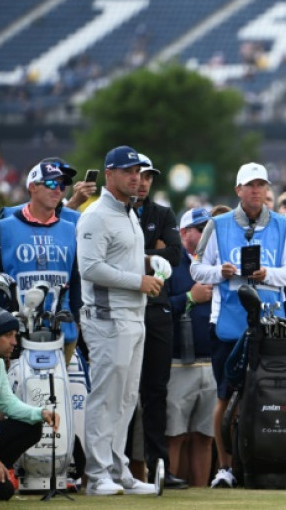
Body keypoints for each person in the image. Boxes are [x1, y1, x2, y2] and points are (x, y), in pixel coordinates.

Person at [190, 162, 286, 489]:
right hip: (227, 320)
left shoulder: (283, 225)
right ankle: (225, 468)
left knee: (267, 392)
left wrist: (269, 274)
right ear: (238, 190)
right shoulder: (218, 224)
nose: (256, 190)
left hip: (270, 322)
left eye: (261, 185)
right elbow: (198, 269)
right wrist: (219, 273)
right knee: (225, 396)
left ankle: (265, 459)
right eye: (249, 185)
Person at [78, 145, 162, 496]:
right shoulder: (96, 215)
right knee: (106, 397)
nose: (135, 177)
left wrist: (149, 266)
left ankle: (118, 470)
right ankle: (97, 475)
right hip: (107, 317)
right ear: (108, 174)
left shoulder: (128, 213)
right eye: (128, 171)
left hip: (133, 315)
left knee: (126, 398)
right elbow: (90, 267)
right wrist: (138, 280)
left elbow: (119, 259)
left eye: (139, 172)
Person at [0, 161, 82, 362]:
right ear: (32, 187)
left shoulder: (72, 228)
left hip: (63, 331)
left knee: (60, 392)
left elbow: (76, 279)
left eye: (62, 186)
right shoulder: (5, 226)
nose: (58, 191)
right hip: (14, 333)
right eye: (51, 184)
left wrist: (79, 320)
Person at [132, 154, 187, 489]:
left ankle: (158, 468)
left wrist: (139, 259)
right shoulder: (113, 212)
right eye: (138, 175)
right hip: (123, 307)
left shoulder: (162, 213)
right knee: (120, 391)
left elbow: (177, 255)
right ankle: (115, 466)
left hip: (157, 309)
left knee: (155, 391)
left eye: (148, 176)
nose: (142, 181)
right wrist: (154, 252)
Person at [0, 302, 60, 501]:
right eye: (7, 335)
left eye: (15, 335)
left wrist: (40, 413)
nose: (14, 342)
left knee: (32, 426)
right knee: (5, 491)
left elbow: (8, 403)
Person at [165, 207, 216, 487]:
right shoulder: (171, 266)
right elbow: (158, 310)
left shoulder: (219, 265)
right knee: (175, 435)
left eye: (210, 228)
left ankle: (201, 495)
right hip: (178, 362)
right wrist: (189, 297)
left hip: (212, 360)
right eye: (201, 228)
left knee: (205, 437)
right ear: (184, 233)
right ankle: (173, 495)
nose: (207, 233)